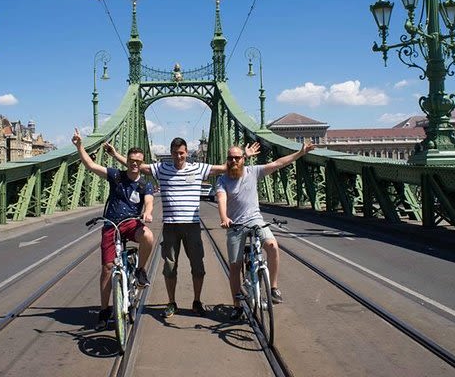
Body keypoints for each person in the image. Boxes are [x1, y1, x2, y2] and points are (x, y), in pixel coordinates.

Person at [107, 137, 258, 319]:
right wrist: (115, 154)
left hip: (192, 225)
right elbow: (137, 165)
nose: (179, 156)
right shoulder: (161, 168)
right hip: (170, 226)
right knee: (170, 268)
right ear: (171, 154)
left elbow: (225, 168)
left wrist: (244, 157)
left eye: (182, 153)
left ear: (186, 152)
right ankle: (171, 303)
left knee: (198, 266)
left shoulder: (198, 168)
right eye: (175, 153)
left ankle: (196, 302)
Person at [216, 141, 316, 321]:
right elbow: (221, 199)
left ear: (243, 160)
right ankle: (237, 306)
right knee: (234, 265)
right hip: (235, 225)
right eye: (230, 158)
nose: (233, 161)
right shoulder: (222, 179)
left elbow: (278, 163)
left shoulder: (253, 171)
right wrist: (224, 218)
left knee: (272, 246)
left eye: (237, 158)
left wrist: (300, 153)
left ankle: (273, 288)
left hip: (255, 220)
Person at [71, 128, 155, 331]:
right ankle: (104, 310)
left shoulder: (145, 185)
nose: (134, 164)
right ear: (126, 161)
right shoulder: (116, 176)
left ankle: (141, 270)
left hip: (132, 223)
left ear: (141, 163)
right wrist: (79, 146)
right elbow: (91, 165)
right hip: (112, 224)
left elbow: (149, 202)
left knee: (149, 236)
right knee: (107, 268)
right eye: (132, 160)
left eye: (138, 161)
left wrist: (148, 212)